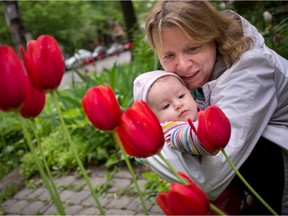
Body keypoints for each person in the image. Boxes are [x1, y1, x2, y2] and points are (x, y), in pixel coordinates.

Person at [143, 1, 288, 215]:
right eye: (169, 56)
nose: (182, 66)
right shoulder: (197, 72)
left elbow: (211, 179)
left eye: (192, 48)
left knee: (223, 133)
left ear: (214, 37)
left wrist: (150, 140)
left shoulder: (250, 72)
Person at [133, 70, 214, 155]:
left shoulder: (198, 105)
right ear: (153, 119)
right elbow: (190, 139)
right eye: (166, 106)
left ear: (190, 93)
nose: (178, 104)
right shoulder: (169, 130)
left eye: (181, 96)